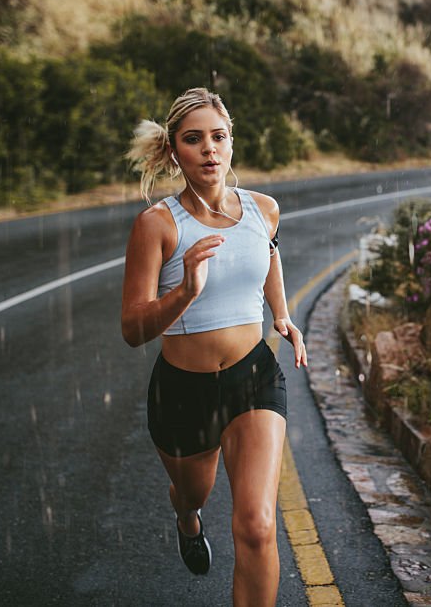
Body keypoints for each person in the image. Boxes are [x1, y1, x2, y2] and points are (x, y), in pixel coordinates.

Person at [120, 87, 306, 607]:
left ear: (231, 144)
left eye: (218, 137)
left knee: (257, 525)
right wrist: (184, 292)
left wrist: (283, 314)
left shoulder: (263, 210)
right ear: (174, 150)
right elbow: (133, 329)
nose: (208, 149)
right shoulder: (157, 225)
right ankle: (186, 516)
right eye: (193, 139)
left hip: (254, 378)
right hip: (183, 392)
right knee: (193, 492)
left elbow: (268, 256)